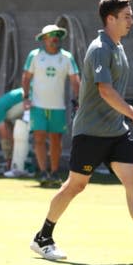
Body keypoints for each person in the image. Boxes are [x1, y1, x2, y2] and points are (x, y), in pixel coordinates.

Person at [30, 0, 133, 263]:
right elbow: (105, 90)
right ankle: (43, 237)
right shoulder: (99, 48)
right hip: (90, 131)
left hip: (115, 130)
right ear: (110, 19)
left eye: (131, 15)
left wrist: (128, 119)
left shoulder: (118, 46)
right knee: (75, 186)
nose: (131, 20)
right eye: (126, 16)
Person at [22, 24, 80, 187]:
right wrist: (25, 98)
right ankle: (43, 172)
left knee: (56, 139)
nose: (54, 38)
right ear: (44, 39)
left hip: (58, 107)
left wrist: (79, 99)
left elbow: (75, 79)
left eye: (57, 35)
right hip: (37, 105)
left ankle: (54, 172)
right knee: (39, 138)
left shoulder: (67, 57)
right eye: (51, 35)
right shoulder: (34, 55)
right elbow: (26, 77)